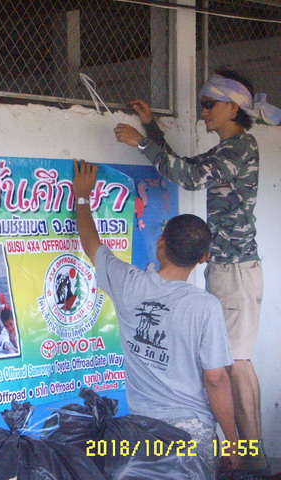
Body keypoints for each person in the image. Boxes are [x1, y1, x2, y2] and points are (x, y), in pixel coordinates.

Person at [113, 69, 280, 473]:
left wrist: (141, 143)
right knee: (232, 362)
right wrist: (152, 127)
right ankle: (248, 457)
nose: (203, 111)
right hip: (226, 266)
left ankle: (252, 460)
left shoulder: (239, 148)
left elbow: (188, 177)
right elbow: (186, 166)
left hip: (234, 269)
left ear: (233, 108)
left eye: (208, 104)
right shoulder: (229, 149)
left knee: (236, 363)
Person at [73, 159, 240, 478]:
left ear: (161, 243)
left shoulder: (129, 283)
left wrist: (82, 197)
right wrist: (234, 443)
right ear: (204, 258)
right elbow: (216, 379)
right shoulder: (205, 306)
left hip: (140, 433)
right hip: (192, 434)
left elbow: (92, 245)